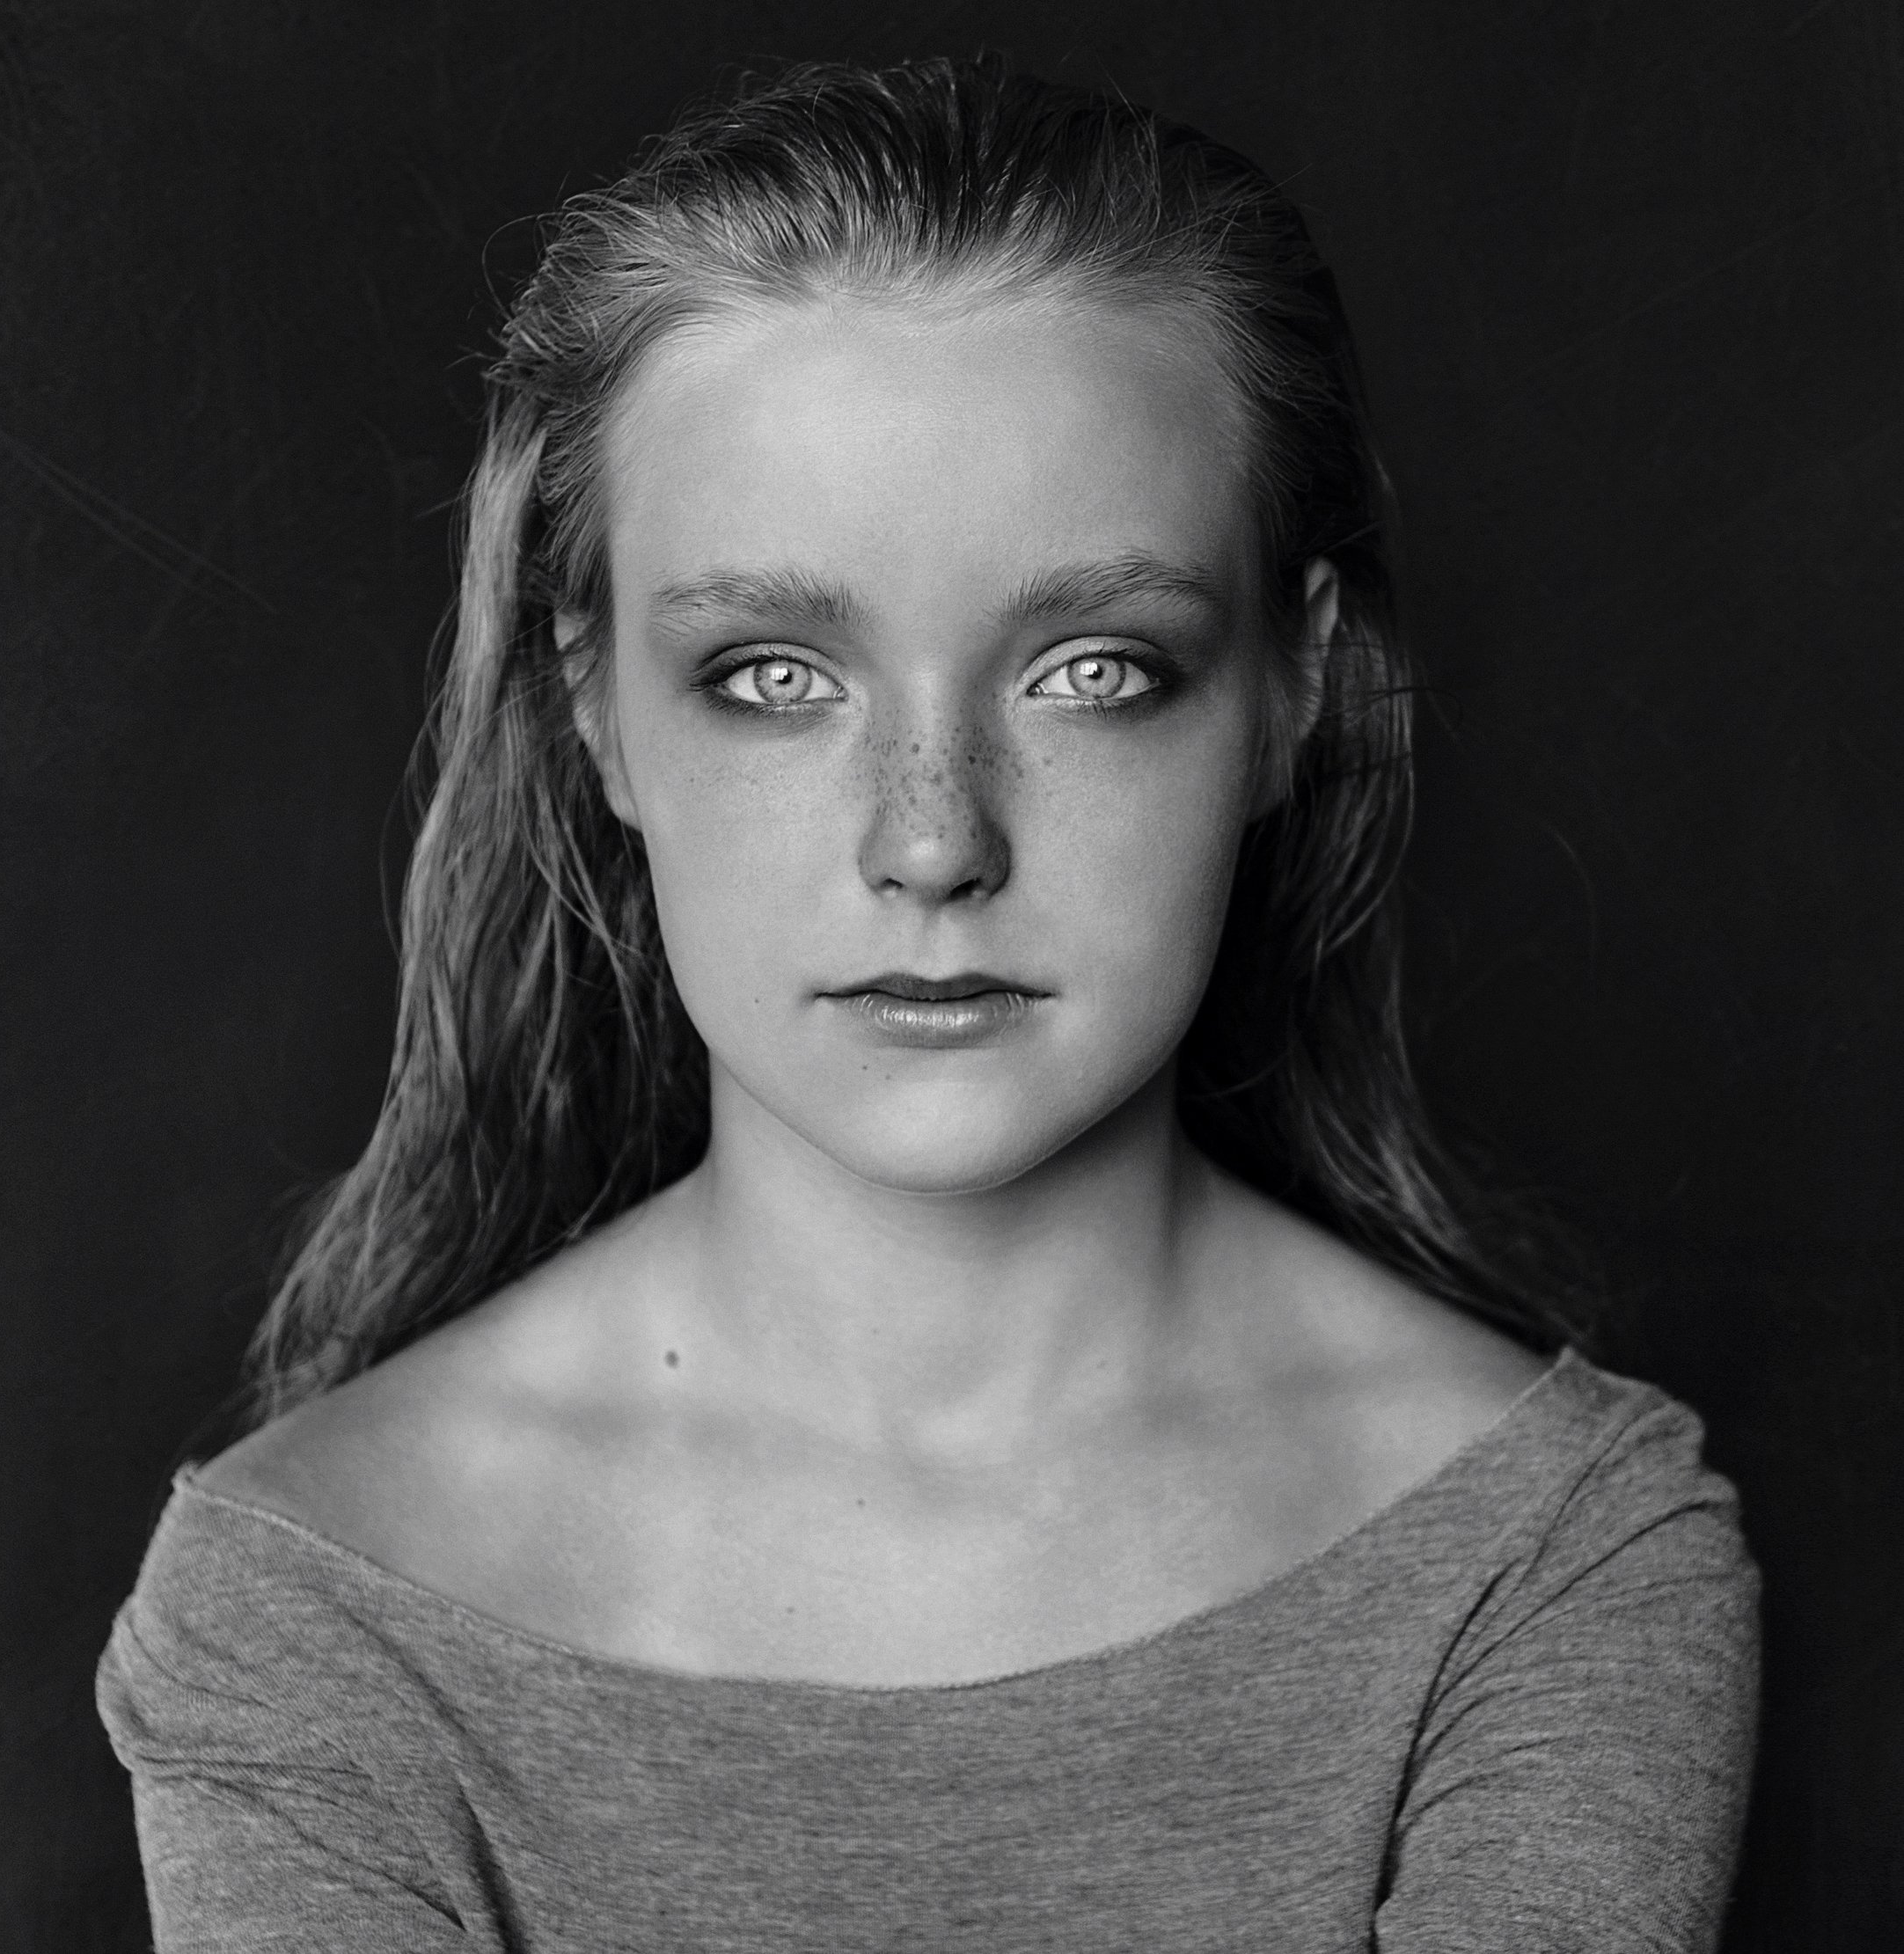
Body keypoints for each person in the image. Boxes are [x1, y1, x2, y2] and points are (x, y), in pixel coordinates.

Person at [97, 54, 1759, 1951]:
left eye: (1094, 668)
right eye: (772, 674)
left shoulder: (1557, 1554)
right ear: (594, 707)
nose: (932, 841)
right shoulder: (311, 1605)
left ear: (1293, 690)